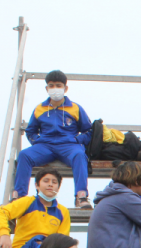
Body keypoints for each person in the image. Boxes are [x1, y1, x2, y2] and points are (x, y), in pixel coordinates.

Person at [13, 70, 92, 209]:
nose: (55, 88)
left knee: (79, 156)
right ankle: (19, 197)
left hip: (68, 145)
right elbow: (31, 131)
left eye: (58, 85)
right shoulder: (40, 108)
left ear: (65, 88)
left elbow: (88, 130)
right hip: (45, 146)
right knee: (24, 155)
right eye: (51, 85)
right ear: (46, 88)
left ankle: (81, 196)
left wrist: (77, 140)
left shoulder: (75, 108)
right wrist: (37, 141)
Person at [0, 168, 71, 248]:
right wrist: (4, 234)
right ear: (37, 185)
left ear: (58, 188)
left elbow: (62, 239)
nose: (50, 184)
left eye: (54, 182)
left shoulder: (63, 211)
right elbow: (0, 213)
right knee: (37, 242)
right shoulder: (27, 202)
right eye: (46, 181)